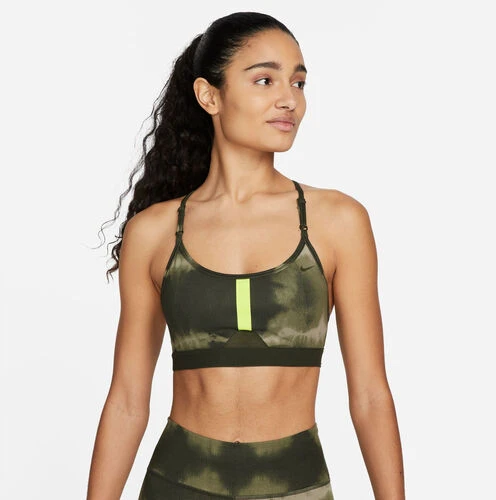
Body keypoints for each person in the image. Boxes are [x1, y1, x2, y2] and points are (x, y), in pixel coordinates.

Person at [87, 11, 405, 500]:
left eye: (298, 82)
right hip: (177, 485)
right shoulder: (151, 233)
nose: (289, 99)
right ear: (209, 96)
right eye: (264, 80)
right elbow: (128, 400)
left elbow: (369, 395)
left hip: (295, 488)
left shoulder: (339, 222)